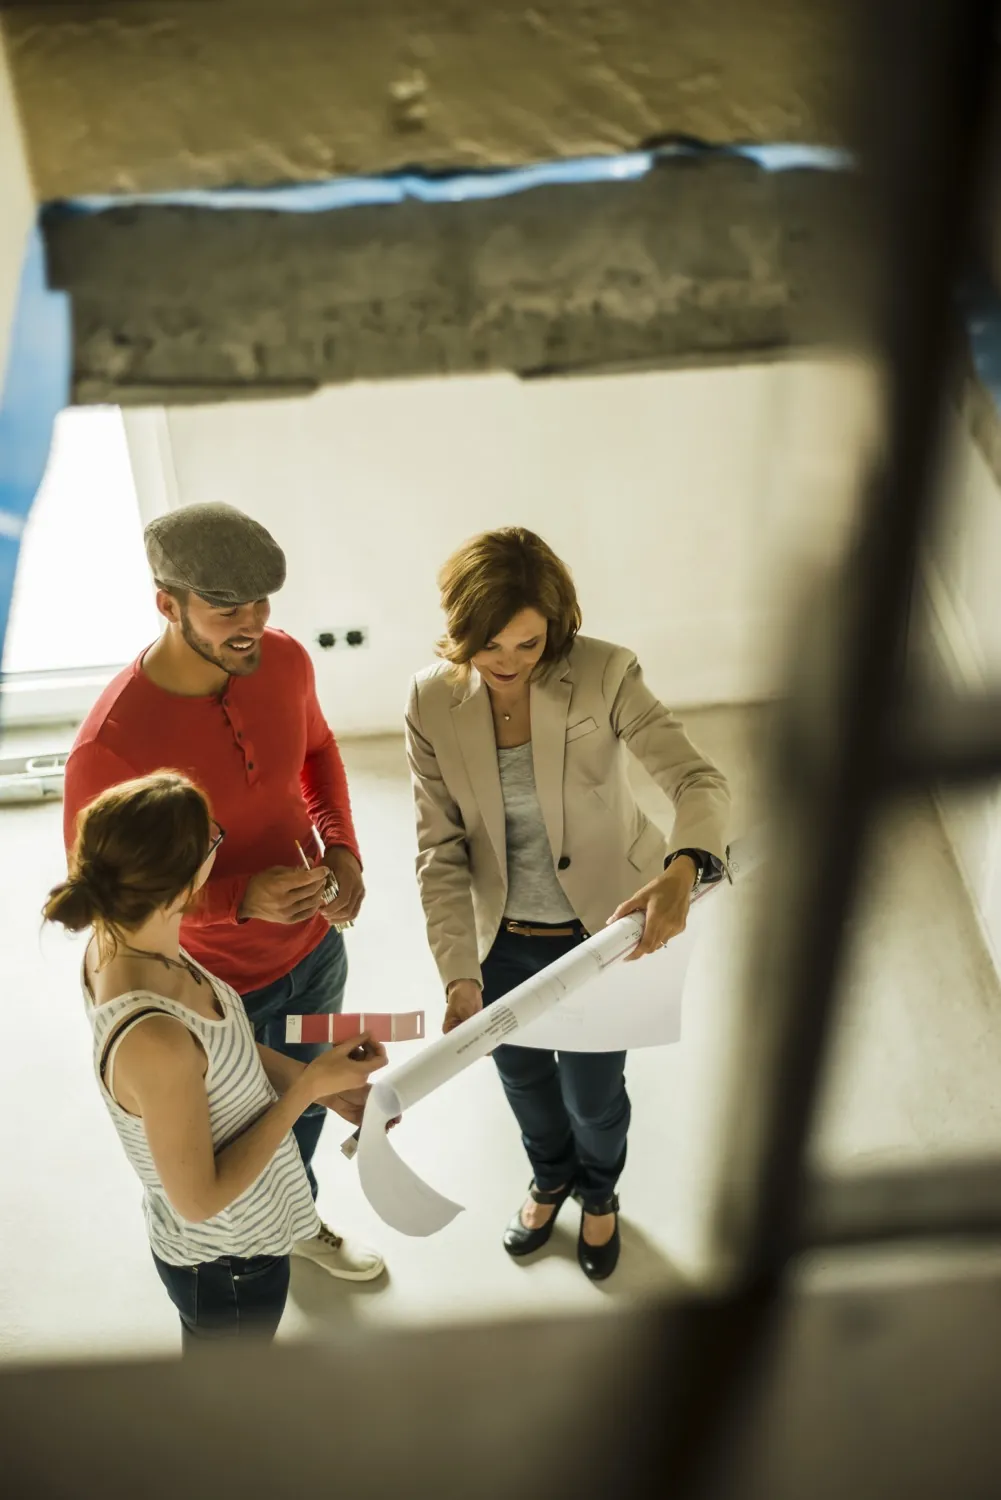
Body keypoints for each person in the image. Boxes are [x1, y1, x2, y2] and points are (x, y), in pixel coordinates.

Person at [62, 502, 382, 1281]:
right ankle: (270, 1232)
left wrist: (341, 845)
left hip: (316, 953)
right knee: (244, 1127)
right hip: (218, 990)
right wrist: (237, 898)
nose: (253, 624)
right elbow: (101, 901)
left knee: (311, 1099)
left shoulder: (285, 660)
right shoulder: (109, 746)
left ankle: (297, 1216)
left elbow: (317, 749)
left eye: (262, 603)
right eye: (227, 608)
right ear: (166, 604)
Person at [406, 527, 730, 1281]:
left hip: (604, 933)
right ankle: (549, 1180)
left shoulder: (604, 672)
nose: (507, 664)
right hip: (500, 940)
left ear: (554, 626)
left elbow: (697, 781)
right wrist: (457, 970)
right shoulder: (430, 700)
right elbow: (438, 849)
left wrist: (683, 869)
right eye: (488, 646)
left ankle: (600, 1194)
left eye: (526, 644)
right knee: (520, 1080)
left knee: (592, 1095)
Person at [44, 772, 387, 1348]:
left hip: (251, 1226)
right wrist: (303, 1094)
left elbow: (223, 1043)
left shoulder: (131, 939)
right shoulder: (153, 1039)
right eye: (212, 840)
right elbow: (199, 1201)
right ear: (182, 884)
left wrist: (312, 1078)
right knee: (226, 1408)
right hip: (228, 1263)